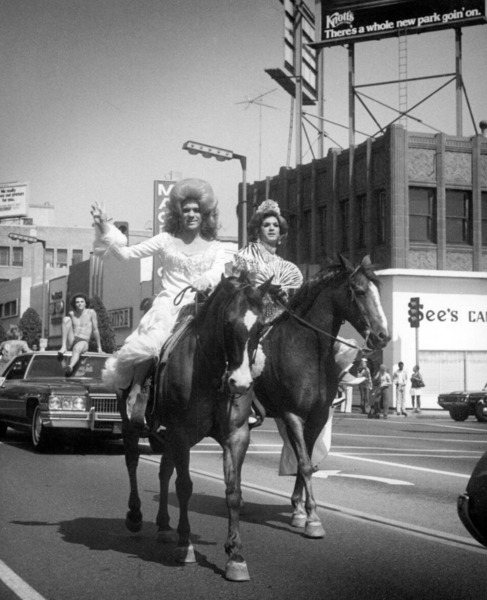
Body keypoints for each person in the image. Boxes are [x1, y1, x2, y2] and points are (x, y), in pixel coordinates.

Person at [91, 178, 227, 426]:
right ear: (178, 213)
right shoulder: (164, 240)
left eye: (196, 209)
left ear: (205, 213)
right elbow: (126, 253)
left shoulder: (217, 247)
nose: (191, 214)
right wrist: (103, 225)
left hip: (201, 306)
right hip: (170, 304)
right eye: (186, 210)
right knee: (155, 335)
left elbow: (218, 272)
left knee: (233, 336)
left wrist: (206, 279)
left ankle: (235, 400)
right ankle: (137, 391)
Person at [58, 294, 102, 375]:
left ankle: (70, 366)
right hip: (72, 339)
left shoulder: (91, 312)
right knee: (66, 319)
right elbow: (66, 327)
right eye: (77, 302)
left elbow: (95, 330)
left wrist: (99, 347)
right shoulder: (72, 313)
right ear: (74, 304)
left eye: (82, 302)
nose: (80, 303)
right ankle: (63, 346)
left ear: (85, 303)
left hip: (83, 340)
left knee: (77, 349)